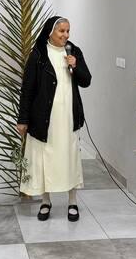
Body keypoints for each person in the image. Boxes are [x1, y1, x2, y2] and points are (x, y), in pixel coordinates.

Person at [17, 16, 91, 222]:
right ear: (50, 32)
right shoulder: (38, 54)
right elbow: (27, 89)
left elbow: (86, 81)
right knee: (45, 160)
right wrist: (22, 119)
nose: (66, 35)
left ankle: (72, 201)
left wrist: (76, 65)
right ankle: (45, 201)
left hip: (68, 118)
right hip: (43, 119)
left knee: (69, 158)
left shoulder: (73, 51)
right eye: (61, 31)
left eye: (68, 31)